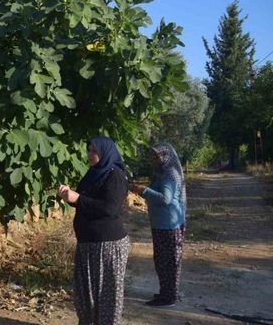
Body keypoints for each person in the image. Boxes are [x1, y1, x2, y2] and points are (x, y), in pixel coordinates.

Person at [57, 136, 130, 325]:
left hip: (108, 245)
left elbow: (109, 208)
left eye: (94, 151)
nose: (90, 154)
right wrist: (69, 196)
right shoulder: (94, 173)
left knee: (106, 294)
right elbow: (86, 203)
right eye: (88, 150)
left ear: (105, 152)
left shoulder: (115, 176)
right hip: (88, 244)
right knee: (85, 294)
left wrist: (78, 198)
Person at [130, 142, 186, 307]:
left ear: (165, 156)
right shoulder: (161, 173)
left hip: (168, 225)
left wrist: (142, 190)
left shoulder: (169, 174)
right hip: (162, 224)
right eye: (153, 155)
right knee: (162, 260)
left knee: (168, 261)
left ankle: (169, 297)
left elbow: (165, 199)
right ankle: (167, 292)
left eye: (157, 155)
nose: (154, 159)